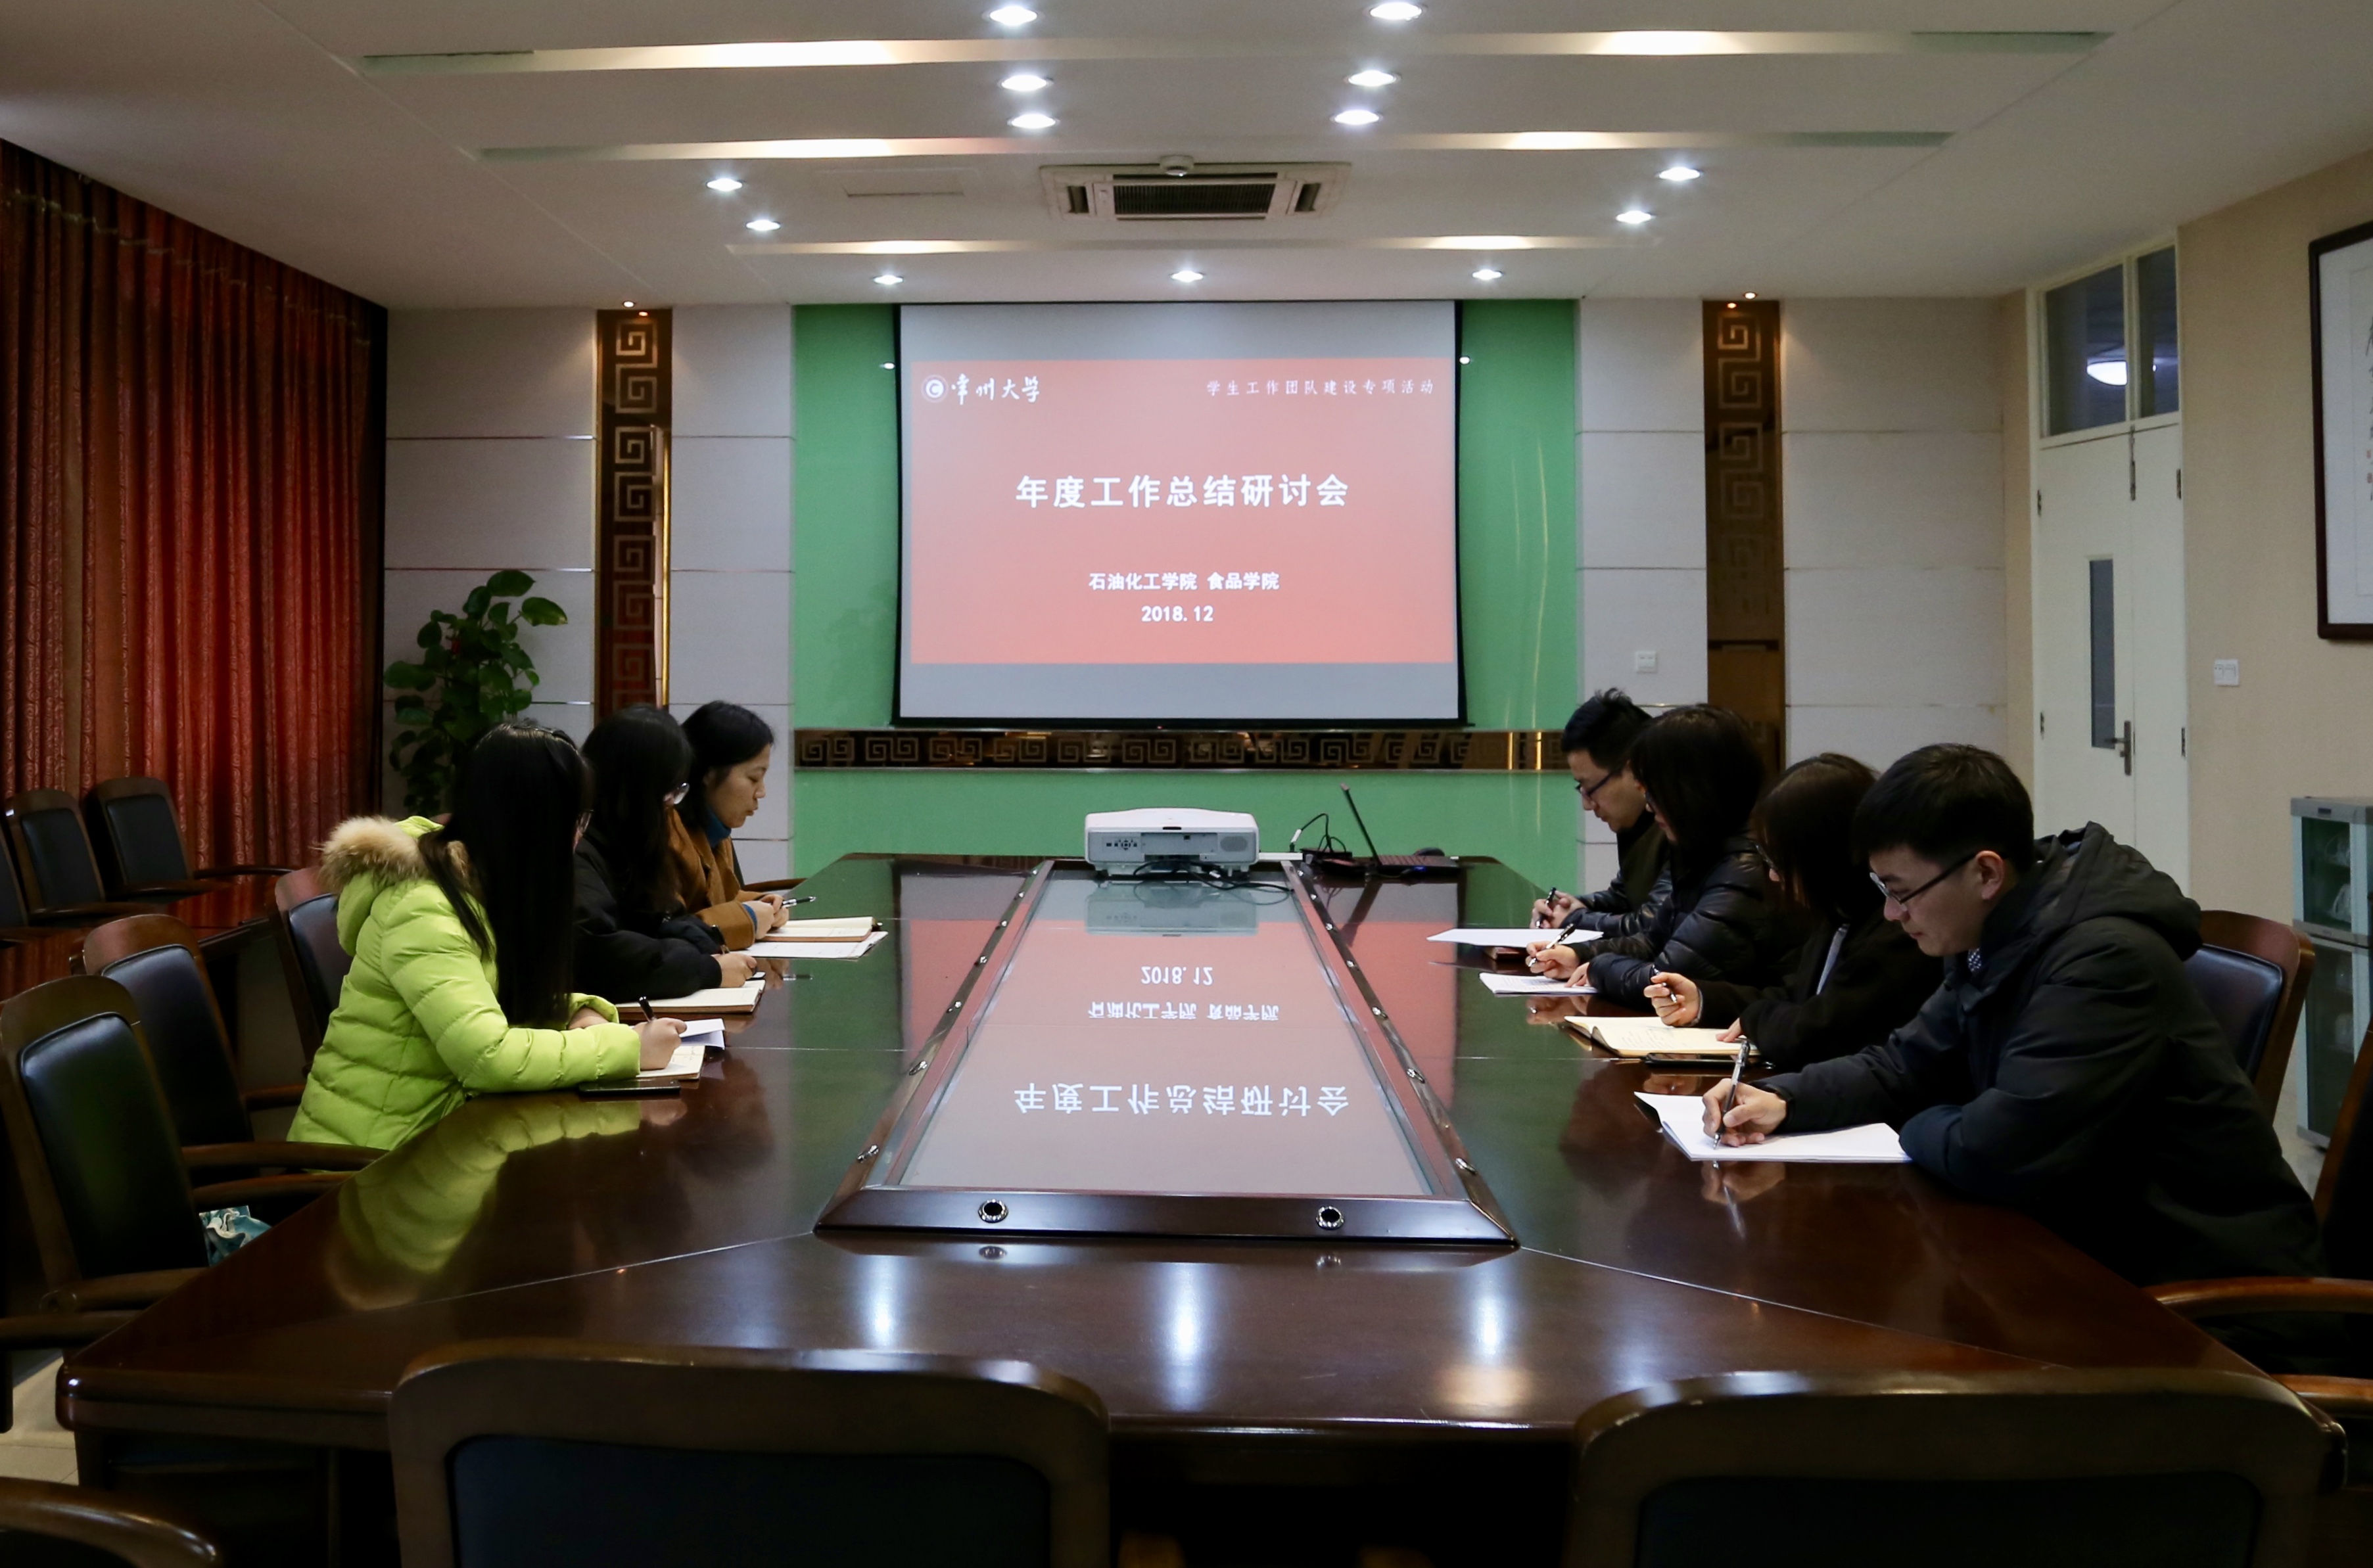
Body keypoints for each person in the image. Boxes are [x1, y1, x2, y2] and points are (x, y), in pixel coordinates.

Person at [1702, 743, 2324, 1289]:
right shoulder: (1993, 933)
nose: (1891, 914)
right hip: (2084, 1253)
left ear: (1986, 873)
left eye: (1902, 892)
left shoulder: (2103, 960)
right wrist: (1784, 1098)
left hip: (2198, 1295)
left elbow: (1994, 1153)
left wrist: (1915, 1121)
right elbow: (1904, 1064)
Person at [289, 724, 685, 1151]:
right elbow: (488, 1058)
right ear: (535, 823)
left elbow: (491, 1002)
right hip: (374, 1162)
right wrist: (627, 1048)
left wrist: (574, 1013)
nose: (578, 838)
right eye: (576, 820)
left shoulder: (486, 890)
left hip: (445, 1136)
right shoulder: (425, 908)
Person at [1643, 754, 1938, 1070]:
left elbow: (1817, 1035)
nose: (1774, 876)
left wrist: (1757, 1018)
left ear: (1824, 856)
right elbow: (1796, 997)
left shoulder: (1897, 931)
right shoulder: (1839, 914)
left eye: (1781, 862)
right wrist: (1704, 1000)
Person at [1530, 706, 1798, 1008]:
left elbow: (1664, 978)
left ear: (1690, 790)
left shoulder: (1744, 869)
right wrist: (1580, 954)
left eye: (1654, 790)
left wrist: (1597, 967)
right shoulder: (1704, 851)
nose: (1649, 805)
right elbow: (1652, 940)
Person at [575, 705, 759, 1001]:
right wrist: (705, 969)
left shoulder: (629, 840)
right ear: (635, 788)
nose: (672, 804)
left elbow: (663, 915)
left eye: (679, 790)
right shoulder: (577, 849)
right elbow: (601, 954)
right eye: (667, 791)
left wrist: (706, 947)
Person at [1532, 689, 1666, 937]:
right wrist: (1569, 908)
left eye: (1591, 788)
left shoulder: (1680, 824)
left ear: (1633, 770)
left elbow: (1655, 924)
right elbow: (1626, 897)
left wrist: (1573, 920)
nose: (1587, 805)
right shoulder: (1636, 823)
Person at [670, 701, 785, 950]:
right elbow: (670, 933)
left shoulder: (716, 831)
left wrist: (762, 903)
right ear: (708, 773)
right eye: (754, 778)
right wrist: (749, 917)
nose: (761, 792)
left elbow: (721, 899)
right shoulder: (665, 835)